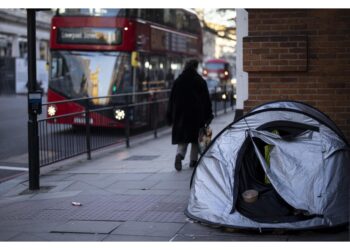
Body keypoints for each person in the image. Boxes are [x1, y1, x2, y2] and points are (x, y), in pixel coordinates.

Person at [166, 59, 213, 171]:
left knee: (183, 139)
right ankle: (193, 161)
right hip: (197, 116)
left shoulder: (178, 81)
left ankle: (179, 156)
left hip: (181, 116)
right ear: (196, 67)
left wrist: (170, 116)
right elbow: (206, 100)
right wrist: (209, 115)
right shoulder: (200, 81)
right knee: (196, 140)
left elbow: (172, 100)